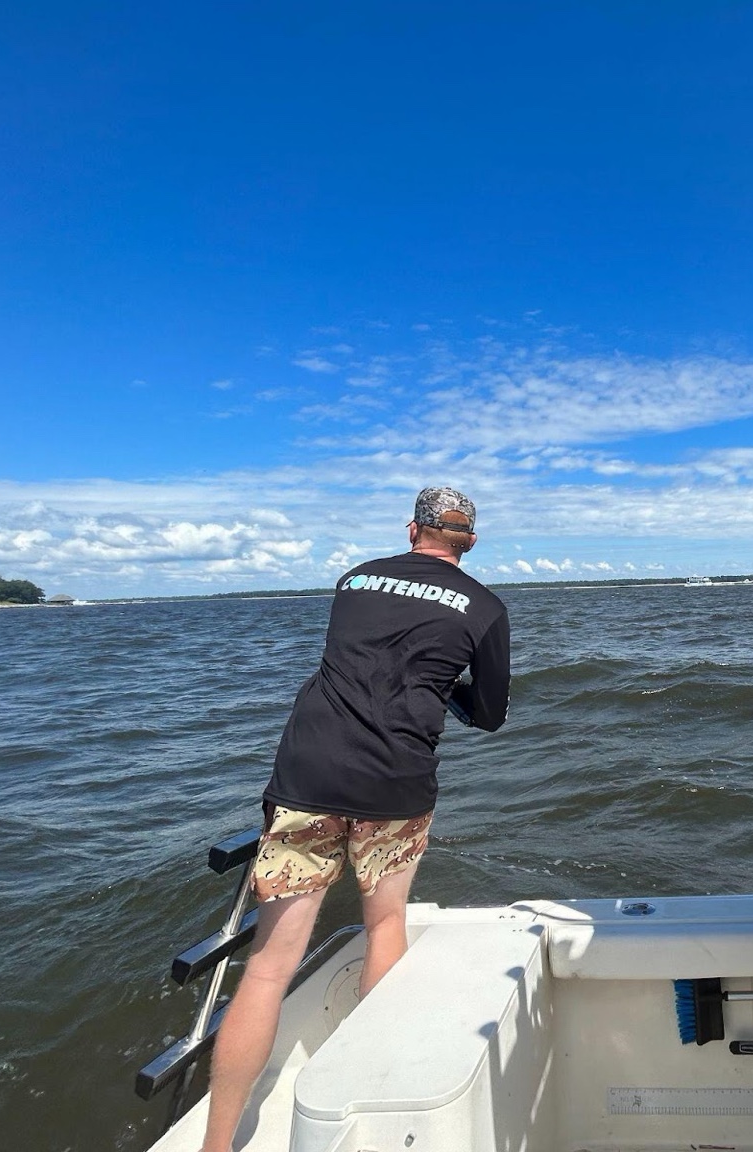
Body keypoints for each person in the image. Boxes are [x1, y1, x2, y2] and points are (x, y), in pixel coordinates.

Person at [200, 487, 510, 1152]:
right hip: (395, 783)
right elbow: (489, 712)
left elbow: (370, 654)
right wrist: (444, 693)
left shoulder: (354, 578)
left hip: (308, 774)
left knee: (266, 969)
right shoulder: (485, 608)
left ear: (412, 529)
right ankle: (372, 1105)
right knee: (386, 923)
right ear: (471, 542)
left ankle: (216, 1143)